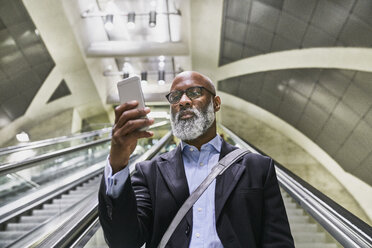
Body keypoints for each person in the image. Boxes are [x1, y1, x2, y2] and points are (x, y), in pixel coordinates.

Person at [98, 71, 294, 248]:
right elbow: (123, 241)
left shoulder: (257, 167)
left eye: (194, 92)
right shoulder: (150, 173)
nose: (183, 101)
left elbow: (277, 242)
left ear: (216, 103)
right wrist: (118, 164)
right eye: (175, 97)